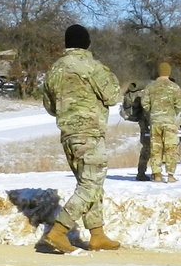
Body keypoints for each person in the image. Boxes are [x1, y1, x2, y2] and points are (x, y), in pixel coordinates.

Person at [38, 24, 121, 254]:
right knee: (91, 184)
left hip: (68, 135)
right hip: (90, 134)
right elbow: (113, 96)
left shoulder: (54, 70)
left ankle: (97, 234)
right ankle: (59, 230)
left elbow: (50, 107)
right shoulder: (91, 66)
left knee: (90, 184)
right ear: (87, 43)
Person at [141, 62, 181, 183]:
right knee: (170, 148)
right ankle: (170, 175)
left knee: (155, 148)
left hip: (155, 121)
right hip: (169, 121)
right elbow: (180, 105)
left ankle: (157, 174)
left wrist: (152, 113)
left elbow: (144, 103)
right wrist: (172, 114)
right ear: (169, 72)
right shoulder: (174, 87)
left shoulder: (150, 87)